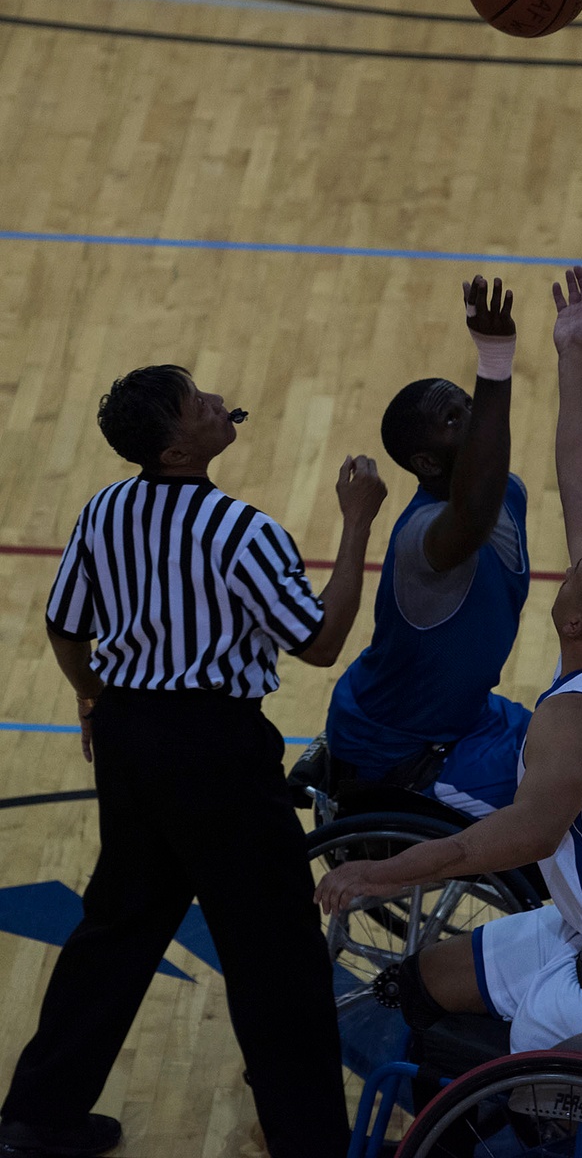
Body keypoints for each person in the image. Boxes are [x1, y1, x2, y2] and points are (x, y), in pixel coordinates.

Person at [315, 267, 582, 1053]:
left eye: (575, 576)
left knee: (513, 1086)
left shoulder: (577, 721)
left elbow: (524, 836)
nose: (572, 562)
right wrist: (573, 353)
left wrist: (383, 874)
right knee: (427, 981)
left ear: (576, 618)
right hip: (432, 739)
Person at [0, 367, 387, 1158]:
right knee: (275, 952)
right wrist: (356, 525)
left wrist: (92, 701)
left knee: (117, 929)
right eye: (198, 404)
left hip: (132, 741)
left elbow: (65, 626)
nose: (217, 402)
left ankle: (36, 1119)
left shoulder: (104, 510)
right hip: (216, 752)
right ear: (179, 452)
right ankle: (311, 1143)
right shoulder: (241, 532)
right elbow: (319, 642)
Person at [321, 273, 531, 819]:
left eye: (467, 404)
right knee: (573, 790)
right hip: (401, 754)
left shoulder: (510, 492)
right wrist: (495, 363)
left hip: (466, 721)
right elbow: (472, 513)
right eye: (456, 419)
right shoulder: (424, 540)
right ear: (428, 465)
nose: (475, 418)